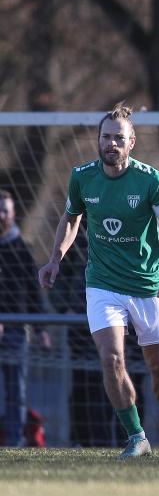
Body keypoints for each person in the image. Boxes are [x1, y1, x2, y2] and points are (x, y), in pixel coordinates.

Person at [37, 102, 159, 458]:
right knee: (112, 359)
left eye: (119, 138)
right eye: (106, 137)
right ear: (99, 139)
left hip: (148, 286)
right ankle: (137, 436)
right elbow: (71, 219)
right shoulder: (82, 177)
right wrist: (54, 259)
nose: (111, 144)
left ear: (131, 142)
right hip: (103, 284)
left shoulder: (149, 180)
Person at [0, 190, 50, 446]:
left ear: (13, 214)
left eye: (5, 211)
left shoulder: (21, 250)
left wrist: (41, 330)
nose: (1, 215)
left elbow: (33, 295)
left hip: (15, 332)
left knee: (15, 390)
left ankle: (15, 440)